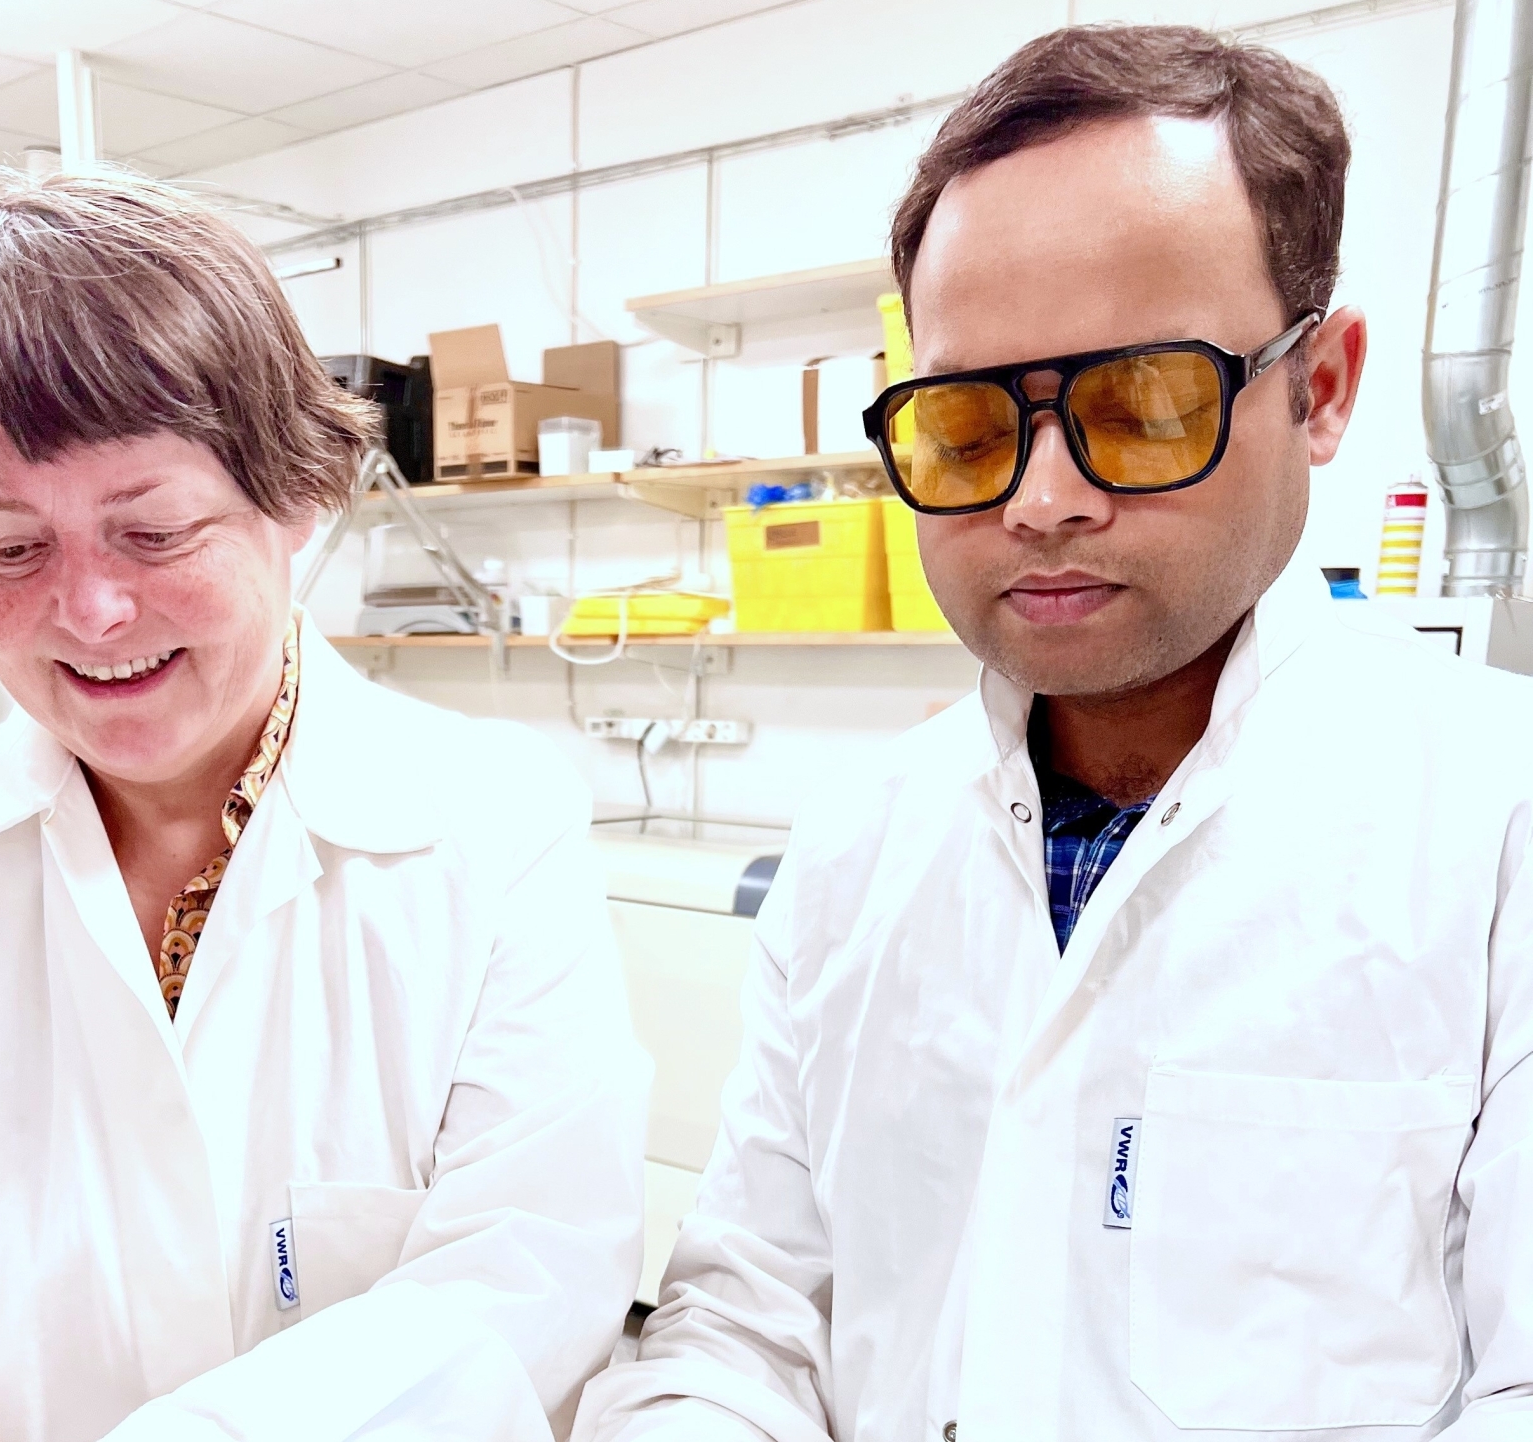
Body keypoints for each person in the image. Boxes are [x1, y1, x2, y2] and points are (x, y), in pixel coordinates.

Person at [576, 24, 1533, 1442]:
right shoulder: (860, 843)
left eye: (1140, 405)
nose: (1041, 499)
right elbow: (752, 1317)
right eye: (967, 426)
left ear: (1318, 388)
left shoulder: (1495, 818)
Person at [0, 173, 648, 1442]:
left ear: (296, 500)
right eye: (8, 547)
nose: (90, 612)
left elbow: (522, 1275)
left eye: (152, 531)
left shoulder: (493, 834)